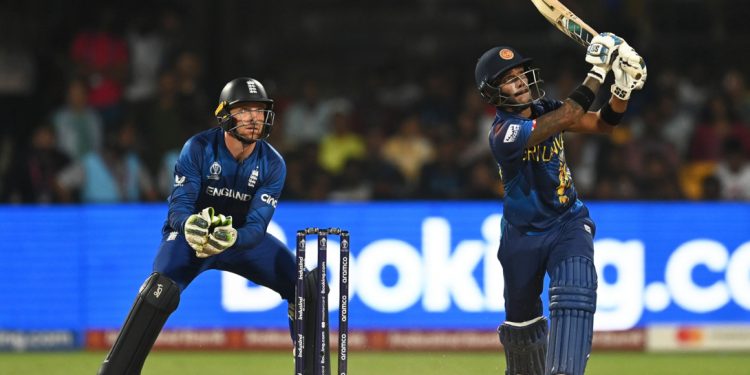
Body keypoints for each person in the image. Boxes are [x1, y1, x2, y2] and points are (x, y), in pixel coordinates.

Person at [97, 77, 324, 375]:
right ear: (225, 114)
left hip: (240, 241)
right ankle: (116, 371)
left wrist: (231, 237)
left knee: (306, 286)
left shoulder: (273, 163)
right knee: (160, 289)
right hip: (194, 238)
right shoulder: (199, 147)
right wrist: (192, 225)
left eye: (259, 110)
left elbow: (257, 227)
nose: (254, 118)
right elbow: (178, 208)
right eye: (244, 111)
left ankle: (310, 370)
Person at [475, 34, 646, 375]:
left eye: (520, 73)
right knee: (522, 329)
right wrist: (598, 70)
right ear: (493, 92)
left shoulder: (546, 109)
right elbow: (570, 115)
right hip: (521, 235)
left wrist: (622, 89)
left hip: (567, 221)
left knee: (574, 291)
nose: (520, 81)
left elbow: (603, 124)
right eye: (508, 79)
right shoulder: (503, 133)